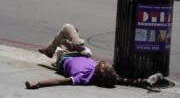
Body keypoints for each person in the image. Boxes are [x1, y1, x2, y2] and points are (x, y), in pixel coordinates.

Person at [25, 24, 162, 89]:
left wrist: (38, 83)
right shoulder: (105, 76)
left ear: (98, 73)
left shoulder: (82, 77)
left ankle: (52, 50)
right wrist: (146, 80)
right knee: (73, 33)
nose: (100, 64)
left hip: (66, 56)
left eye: (101, 66)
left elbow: (58, 81)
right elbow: (126, 81)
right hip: (79, 54)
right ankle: (52, 50)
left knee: (68, 28)